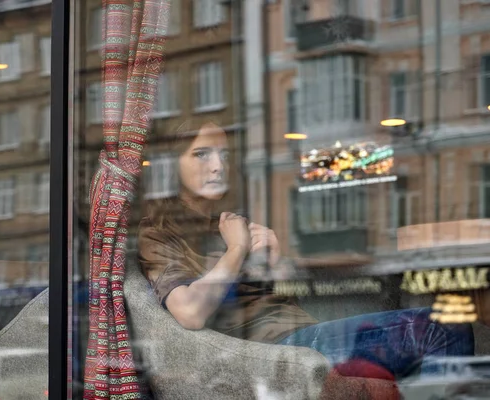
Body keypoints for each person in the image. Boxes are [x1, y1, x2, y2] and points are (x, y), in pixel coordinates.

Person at [137, 120, 474, 379]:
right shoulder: (160, 232)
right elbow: (190, 313)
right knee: (442, 326)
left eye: (224, 155)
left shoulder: (225, 221)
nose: (218, 166)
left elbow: (280, 296)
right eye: (201, 154)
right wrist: (237, 248)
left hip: (296, 335)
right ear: (172, 163)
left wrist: (276, 263)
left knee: (445, 322)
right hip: (268, 353)